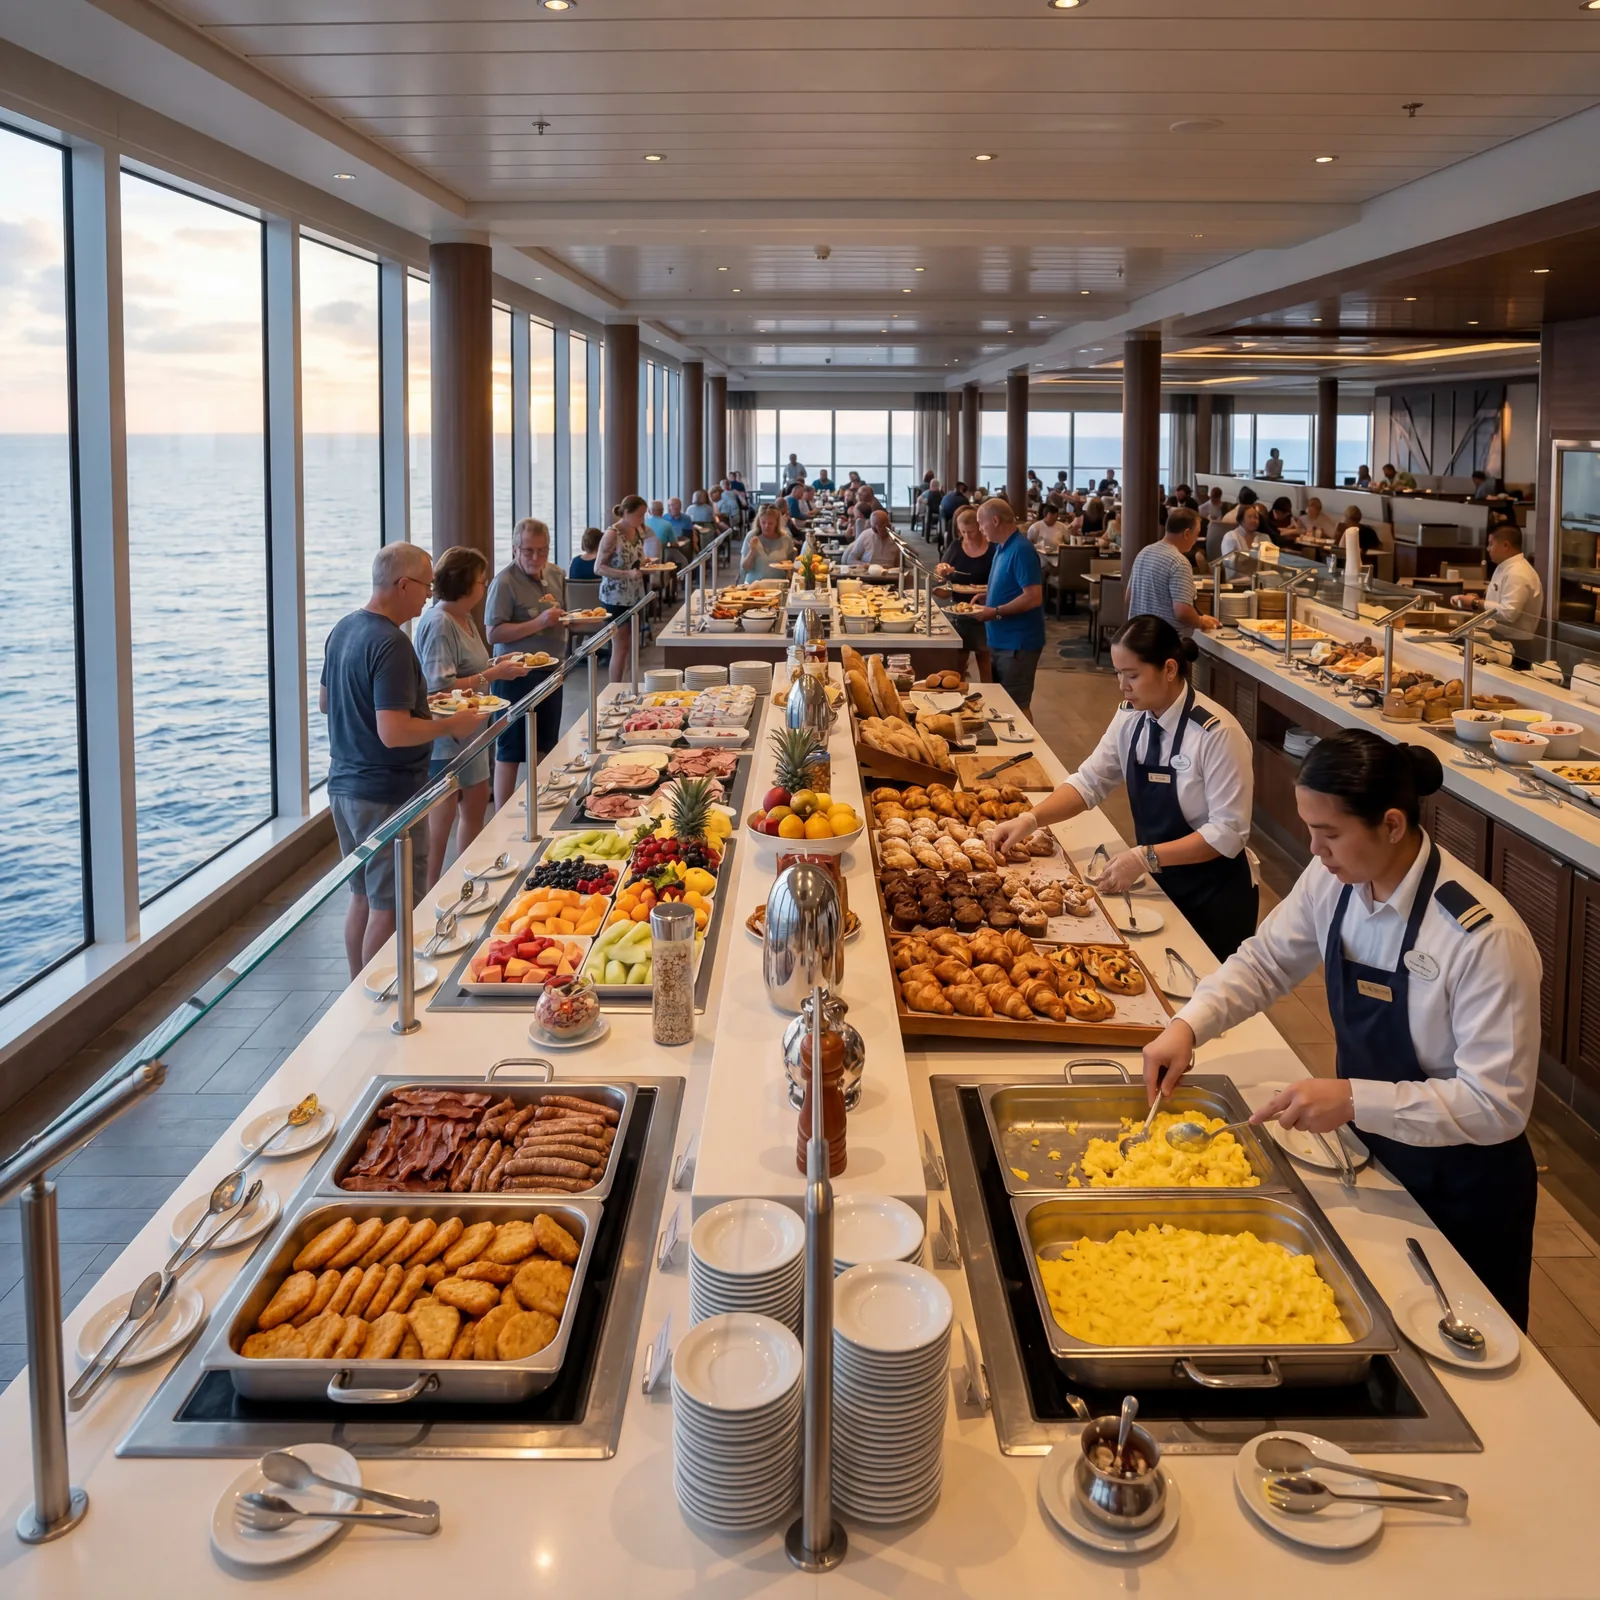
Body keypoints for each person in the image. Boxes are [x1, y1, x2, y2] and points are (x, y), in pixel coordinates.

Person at [1141, 730, 1541, 1328]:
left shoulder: (1480, 936)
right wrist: (1189, 1025)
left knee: (1462, 1360)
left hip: (1463, 1183)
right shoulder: (1335, 879)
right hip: (1368, 1147)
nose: (1314, 849)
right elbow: (1268, 959)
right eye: (1309, 830)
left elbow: (1496, 1105)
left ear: (1393, 825)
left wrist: (1355, 1097)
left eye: (1329, 834)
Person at [994, 615, 1256, 958]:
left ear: (1170, 669)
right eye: (1118, 673)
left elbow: (1228, 832)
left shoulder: (1217, 734)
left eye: (1132, 675)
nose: (1122, 685)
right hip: (1161, 882)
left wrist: (1146, 856)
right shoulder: (1131, 716)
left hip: (1213, 895)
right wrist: (1030, 820)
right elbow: (1090, 781)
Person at [320, 543, 486, 977]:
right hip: (387, 793)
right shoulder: (391, 643)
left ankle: (357, 992)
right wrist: (449, 725)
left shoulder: (344, 628)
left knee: (362, 896)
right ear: (402, 584)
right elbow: (392, 732)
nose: (428, 597)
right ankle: (380, 997)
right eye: (426, 587)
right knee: (391, 906)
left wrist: (419, 704)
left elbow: (326, 701)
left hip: (343, 786)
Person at [416, 546, 525, 887]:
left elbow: (474, 667)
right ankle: (431, 890)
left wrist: (496, 667)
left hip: (474, 733)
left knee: (476, 803)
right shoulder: (439, 623)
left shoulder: (464, 618)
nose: (484, 585)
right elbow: (440, 686)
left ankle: (469, 881)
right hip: (448, 737)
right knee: (442, 819)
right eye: (481, 580)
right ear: (465, 584)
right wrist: (491, 677)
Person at [487, 516, 568, 810]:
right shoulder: (504, 582)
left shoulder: (557, 574)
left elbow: (564, 616)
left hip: (551, 672)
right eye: (528, 551)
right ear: (514, 549)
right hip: (514, 677)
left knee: (547, 744)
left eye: (542, 550)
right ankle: (500, 815)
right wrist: (537, 623)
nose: (536, 557)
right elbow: (494, 632)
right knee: (510, 749)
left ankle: (543, 804)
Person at [973, 497, 1044, 715]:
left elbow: (1033, 597)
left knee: (1017, 709)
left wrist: (994, 611)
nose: (979, 529)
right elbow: (1011, 586)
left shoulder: (1021, 549)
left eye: (981, 523)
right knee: (1003, 706)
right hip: (1001, 640)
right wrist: (989, 596)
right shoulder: (1002, 548)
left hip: (1017, 644)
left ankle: (1029, 749)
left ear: (994, 520)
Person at [1450, 522, 1543, 651]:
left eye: (1491, 544)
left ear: (1505, 545)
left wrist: (1476, 603)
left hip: (1515, 646)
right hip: (1497, 639)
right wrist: (1477, 599)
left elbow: (1508, 613)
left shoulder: (1518, 573)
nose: (1488, 549)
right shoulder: (1505, 566)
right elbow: (1498, 601)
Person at [1127, 509, 1217, 639]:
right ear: (1187, 533)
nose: (1196, 540)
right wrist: (1200, 621)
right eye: (1196, 534)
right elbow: (1182, 612)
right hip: (1164, 642)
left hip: (1137, 637)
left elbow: (1129, 597)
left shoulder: (1144, 552)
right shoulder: (1179, 561)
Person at [936, 502, 994, 681]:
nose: (967, 536)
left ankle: (990, 697)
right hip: (959, 611)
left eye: (971, 531)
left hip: (986, 610)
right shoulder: (955, 547)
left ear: (980, 527)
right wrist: (941, 572)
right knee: (958, 661)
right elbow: (941, 580)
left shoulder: (992, 549)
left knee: (985, 660)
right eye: (963, 532)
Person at [596, 496, 647, 684]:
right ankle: (614, 688)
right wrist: (627, 573)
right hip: (615, 597)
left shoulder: (637, 531)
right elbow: (599, 568)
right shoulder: (612, 534)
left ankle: (631, 685)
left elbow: (635, 556)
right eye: (639, 515)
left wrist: (644, 562)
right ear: (627, 512)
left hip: (635, 595)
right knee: (620, 646)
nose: (642, 519)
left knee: (633, 645)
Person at [740, 500, 796, 581]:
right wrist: (752, 551)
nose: (766, 526)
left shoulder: (786, 539)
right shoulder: (751, 536)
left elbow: (791, 565)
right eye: (763, 522)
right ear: (759, 521)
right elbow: (744, 569)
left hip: (778, 585)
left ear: (776, 523)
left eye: (770, 523)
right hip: (754, 585)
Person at [1199, 486, 1229, 560]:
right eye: (1212, 497)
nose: (1214, 500)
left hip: (1221, 531)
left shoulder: (1223, 507)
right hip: (1208, 531)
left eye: (1216, 498)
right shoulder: (1203, 507)